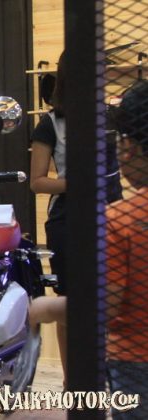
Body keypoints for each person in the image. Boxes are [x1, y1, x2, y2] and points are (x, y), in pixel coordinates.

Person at [28, 51, 122, 384]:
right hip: (68, 221)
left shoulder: (113, 117)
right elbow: (37, 181)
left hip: (113, 216)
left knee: (112, 298)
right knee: (70, 302)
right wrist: (76, 183)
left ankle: (108, 376)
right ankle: (74, 384)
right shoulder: (51, 123)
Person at [106, 79, 148, 420]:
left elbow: (105, 306)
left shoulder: (119, 220)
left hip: (135, 363)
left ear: (128, 146)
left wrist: (47, 308)